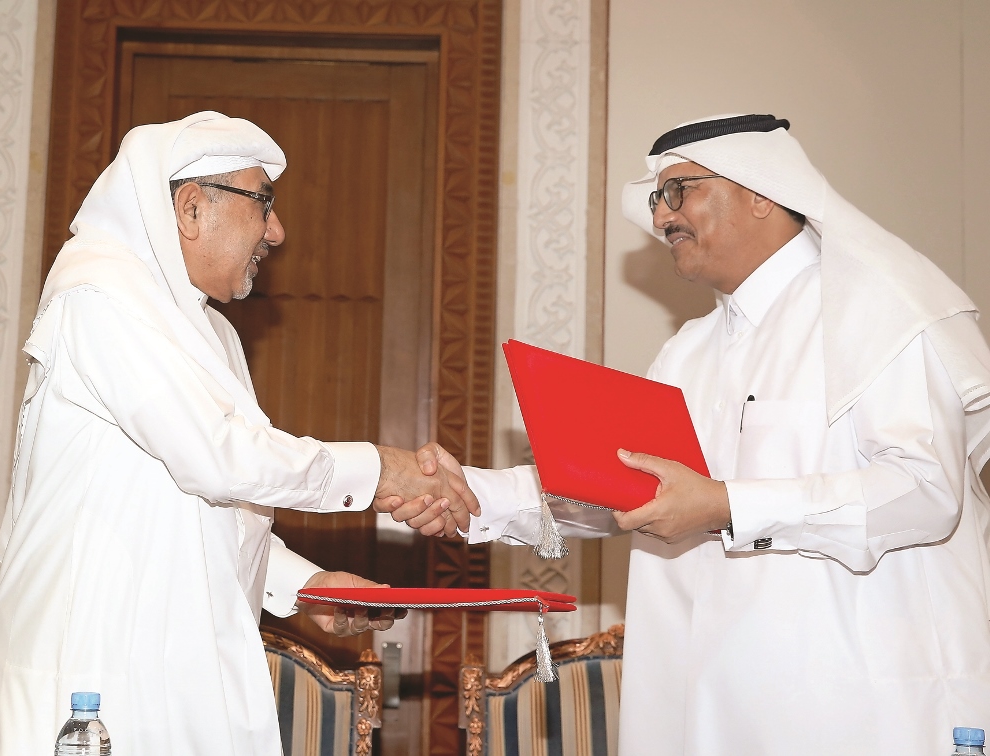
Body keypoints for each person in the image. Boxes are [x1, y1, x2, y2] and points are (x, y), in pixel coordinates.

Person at [406, 115, 990, 753]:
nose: (661, 220)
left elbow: (924, 491)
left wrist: (726, 505)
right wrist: (472, 497)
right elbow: (627, 489)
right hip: (709, 699)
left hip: (851, 701)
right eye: (659, 199)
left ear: (762, 190)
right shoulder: (688, 351)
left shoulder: (876, 308)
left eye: (679, 192)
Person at [0, 112, 476, 756]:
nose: (278, 230)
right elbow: (217, 460)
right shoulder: (100, 293)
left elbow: (213, 508)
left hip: (173, 659)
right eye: (263, 203)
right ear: (190, 209)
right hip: (91, 661)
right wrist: (382, 470)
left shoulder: (211, 331)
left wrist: (305, 586)